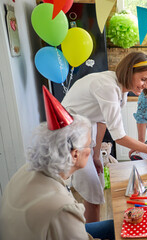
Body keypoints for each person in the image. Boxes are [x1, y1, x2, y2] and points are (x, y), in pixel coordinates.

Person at [61, 52, 147, 223]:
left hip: (86, 125)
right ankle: (91, 234)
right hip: (69, 132)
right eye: (143, 79)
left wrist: (96, 154)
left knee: (98, 189)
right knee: (93, 194)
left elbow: (101, 120)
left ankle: (92, 229)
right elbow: (119, 136)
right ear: (130, 72)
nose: (146, 85)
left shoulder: (121, 88)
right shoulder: (108, 87)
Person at [0, 87, 115, 240]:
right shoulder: (63, 209)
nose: (92, 149)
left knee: (117, 225)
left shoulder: (26, 169)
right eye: (90, 144)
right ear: (75, 154)